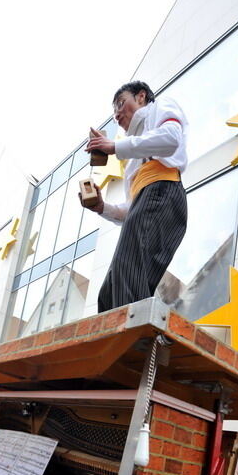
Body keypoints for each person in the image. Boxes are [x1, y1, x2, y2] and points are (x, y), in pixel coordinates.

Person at [83, 81, 188, 312]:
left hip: (163, 189)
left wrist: (115, 147)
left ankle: (131, 342)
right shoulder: (132, 163)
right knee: (112, 289)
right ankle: (116, 340)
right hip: (151, 198)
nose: (118, 114)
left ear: (141, 97)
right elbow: (132, 210)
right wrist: (102, 206)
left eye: (121, 103)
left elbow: (171, 139)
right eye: (114, 112)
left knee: (127, 272)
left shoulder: (160, 106)